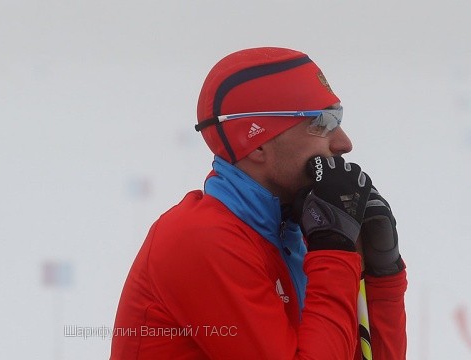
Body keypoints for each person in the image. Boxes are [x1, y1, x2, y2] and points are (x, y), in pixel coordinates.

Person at [110, 47, 407, 359]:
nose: (344, 143)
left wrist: (381, 276)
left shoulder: (300, 234)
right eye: (322, 122)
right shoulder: (200, 238)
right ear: (256, 142)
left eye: (338, 119)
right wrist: (333, 251)